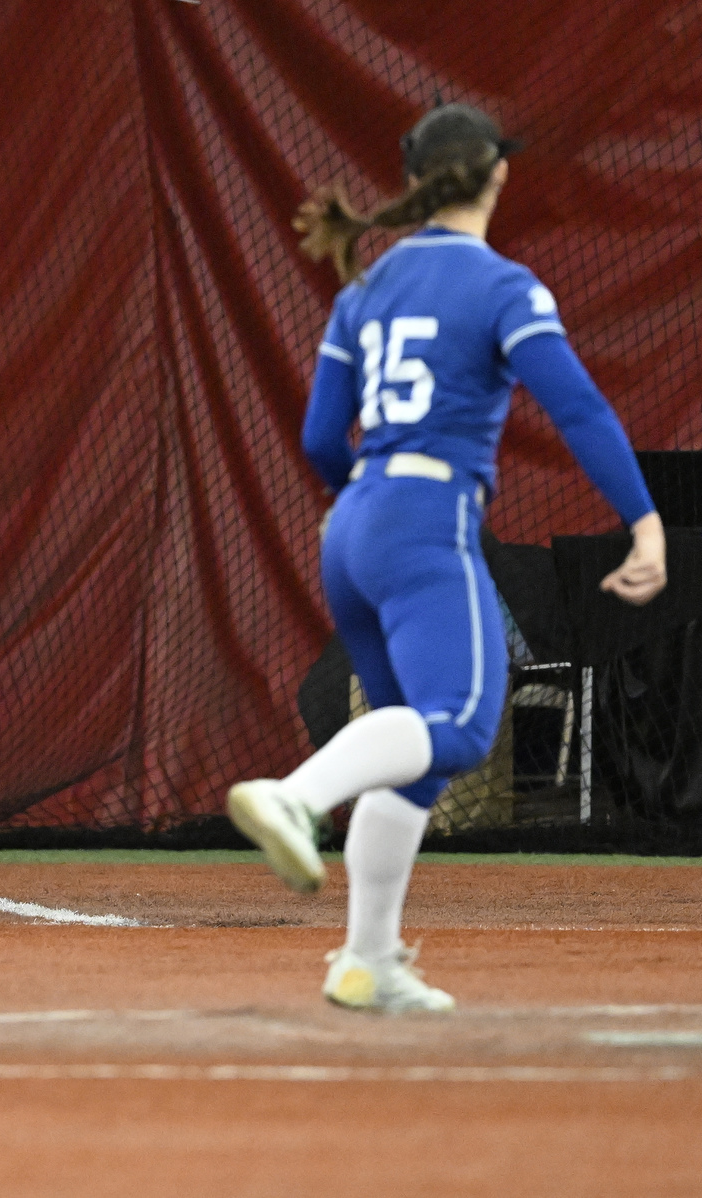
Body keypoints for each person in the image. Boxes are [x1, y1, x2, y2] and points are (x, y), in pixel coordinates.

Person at [227, 104, 667, 1011]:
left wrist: (363, 499)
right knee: (465, 723)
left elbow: (318, 438)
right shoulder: (504, 285)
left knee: (415, 757)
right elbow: (578, 409)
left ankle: (367, 962)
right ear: (497, 174)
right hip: (427, 516)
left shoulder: (365, 291)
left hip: (355, 524)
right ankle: (297, 798)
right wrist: (646, 521)